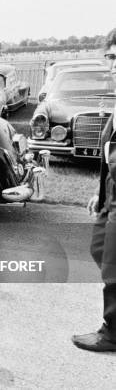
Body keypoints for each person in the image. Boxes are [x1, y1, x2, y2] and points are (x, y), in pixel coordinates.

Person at [72, 27, 116, 352]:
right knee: (100, 250)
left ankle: (111, 332)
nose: (113, 65)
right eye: (110, 57)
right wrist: (100, 195)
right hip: (110, 199)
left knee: (113, 266)